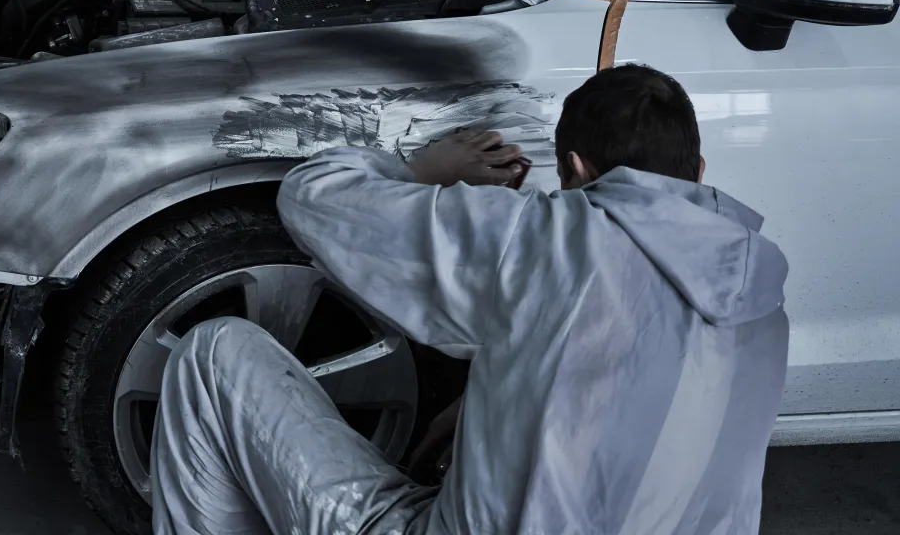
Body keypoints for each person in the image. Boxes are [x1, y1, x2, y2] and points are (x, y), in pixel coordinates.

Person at [150, 64, 789, 535]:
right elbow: (619, 376)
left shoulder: (548, 237)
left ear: (575, 170)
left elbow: (313, 197)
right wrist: (491, 397)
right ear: (698, 173)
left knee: (214, 356)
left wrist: (421, 172)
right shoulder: (760, 303)